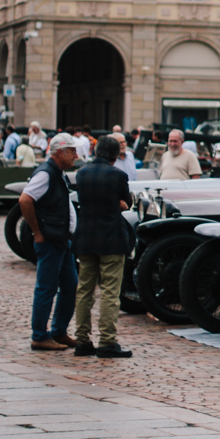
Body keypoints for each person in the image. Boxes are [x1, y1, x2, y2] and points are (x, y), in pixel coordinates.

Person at [73, 134, 133, 359]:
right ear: (116, 155)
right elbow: (127, 202)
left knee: (84, 291)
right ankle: (107, 340)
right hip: (111, 238)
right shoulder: (118, 174)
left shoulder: (82, 173)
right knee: (110, 291)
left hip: (85, 237)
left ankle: (82, 340)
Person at [18, 133, 79, 351]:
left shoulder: (57, 172)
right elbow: (25, 200)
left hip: (61, 240)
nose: (76, 155)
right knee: (47, 288)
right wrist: (37, 232)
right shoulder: (46, 173)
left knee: (70, 286)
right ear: (60, 152)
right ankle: (39, 335)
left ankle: (58, 331)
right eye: (72, 151)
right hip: (51, 240)